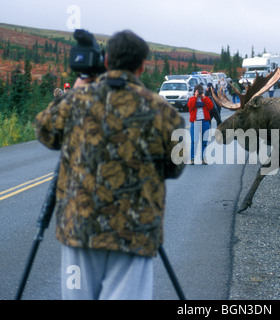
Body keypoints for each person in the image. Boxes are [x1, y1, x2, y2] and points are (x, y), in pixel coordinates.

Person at [35, 30, 185, 300]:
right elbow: (176, 167)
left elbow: (45, 131)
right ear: (142, 66)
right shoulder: (165, 113)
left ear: (105, 62)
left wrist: (76, 91)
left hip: (80, 230)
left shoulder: (76, 102)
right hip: (134, 233)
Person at [187, 84, 213, 165]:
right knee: (194, 141)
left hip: (205, 122)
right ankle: (192, 158)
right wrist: (195, 97)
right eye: (198, 91)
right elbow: (190, 106)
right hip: (195, 122)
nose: (199, 93)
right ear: (194, 92)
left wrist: (204, 98)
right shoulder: (191, 99)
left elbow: (210, 107)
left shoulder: (205, 99)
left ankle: (203, 158)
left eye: (200, 91)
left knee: (204, 141)